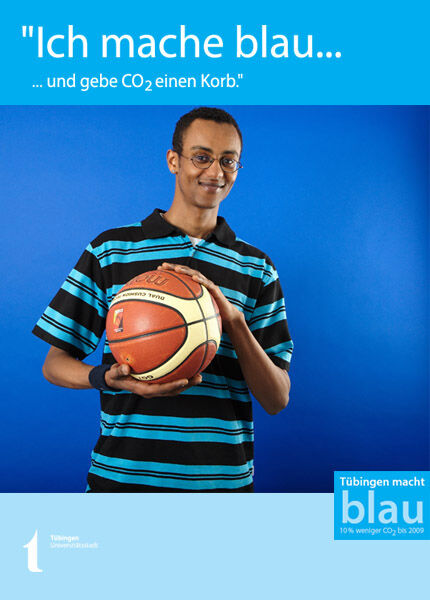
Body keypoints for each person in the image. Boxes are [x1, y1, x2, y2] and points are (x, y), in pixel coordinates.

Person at [33, 106, 294, 492]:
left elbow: (276, 398)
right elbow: (54, 365)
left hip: (221, 488)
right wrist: (107, 379)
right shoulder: (112, 250)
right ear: (174, 160)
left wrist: (234, 322)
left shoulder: (256, 267)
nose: (216, 172)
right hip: (121, 483)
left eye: (228, 161)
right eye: (202, 157)